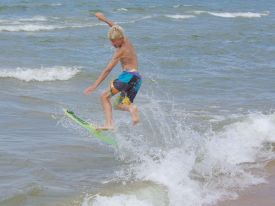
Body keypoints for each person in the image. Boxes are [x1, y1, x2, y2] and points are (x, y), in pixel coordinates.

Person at [84, 12, 142, 130]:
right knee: (118, 104)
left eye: (114, 41)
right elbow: (115, 27)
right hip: (137, 79)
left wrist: (94, 85)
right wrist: (103, 19)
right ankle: (132, 109)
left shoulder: (120, 51)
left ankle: (110, 124)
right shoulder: (126, 40)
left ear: (120, 39)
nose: (112, 44)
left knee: (104, 97)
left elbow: (108, 70)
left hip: (128, 76)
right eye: (111, 41)